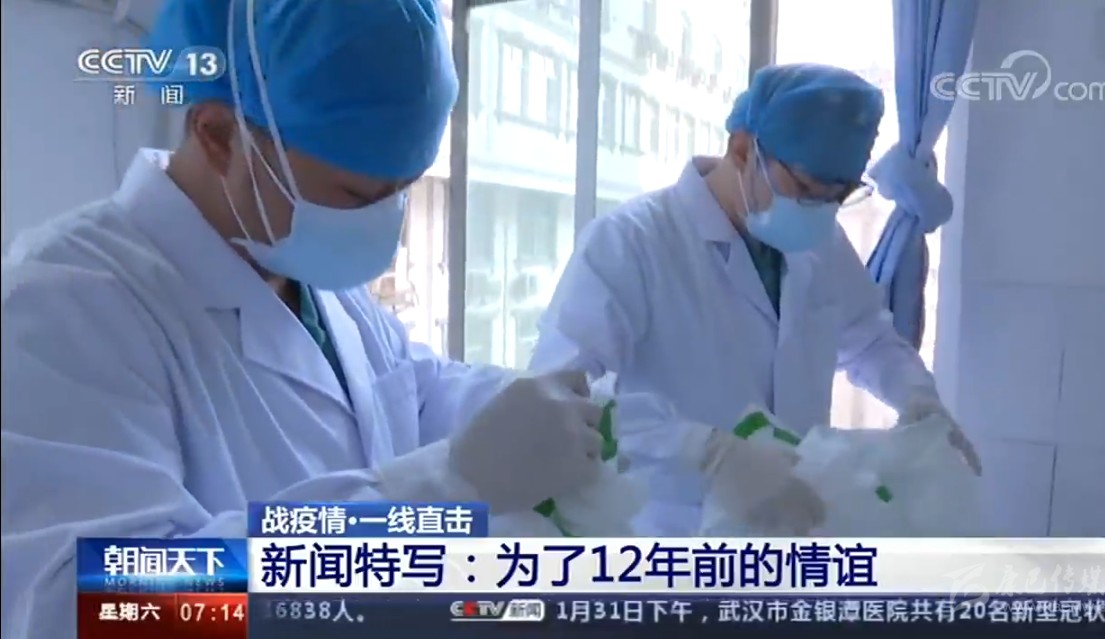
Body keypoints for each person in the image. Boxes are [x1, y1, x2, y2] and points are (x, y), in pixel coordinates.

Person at [1, 2, 607, 637]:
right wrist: (446, 490)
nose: (385, 226)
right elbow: (97, 604)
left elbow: (411, 392)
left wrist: (572, 409)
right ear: (218, 134)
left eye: (403, 190)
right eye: (356, 196)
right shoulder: (61, 306)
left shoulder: (308, 274)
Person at [529, 63, 983, 537]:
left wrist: (917, 395)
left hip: (793, 520)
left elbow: (868, 339)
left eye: (839, 195)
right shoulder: (631, 241)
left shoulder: (822, 245)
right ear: (743, 150)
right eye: (805, 189)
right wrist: (705, 453)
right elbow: (556, 400)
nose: (820, 211)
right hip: (672, 532)